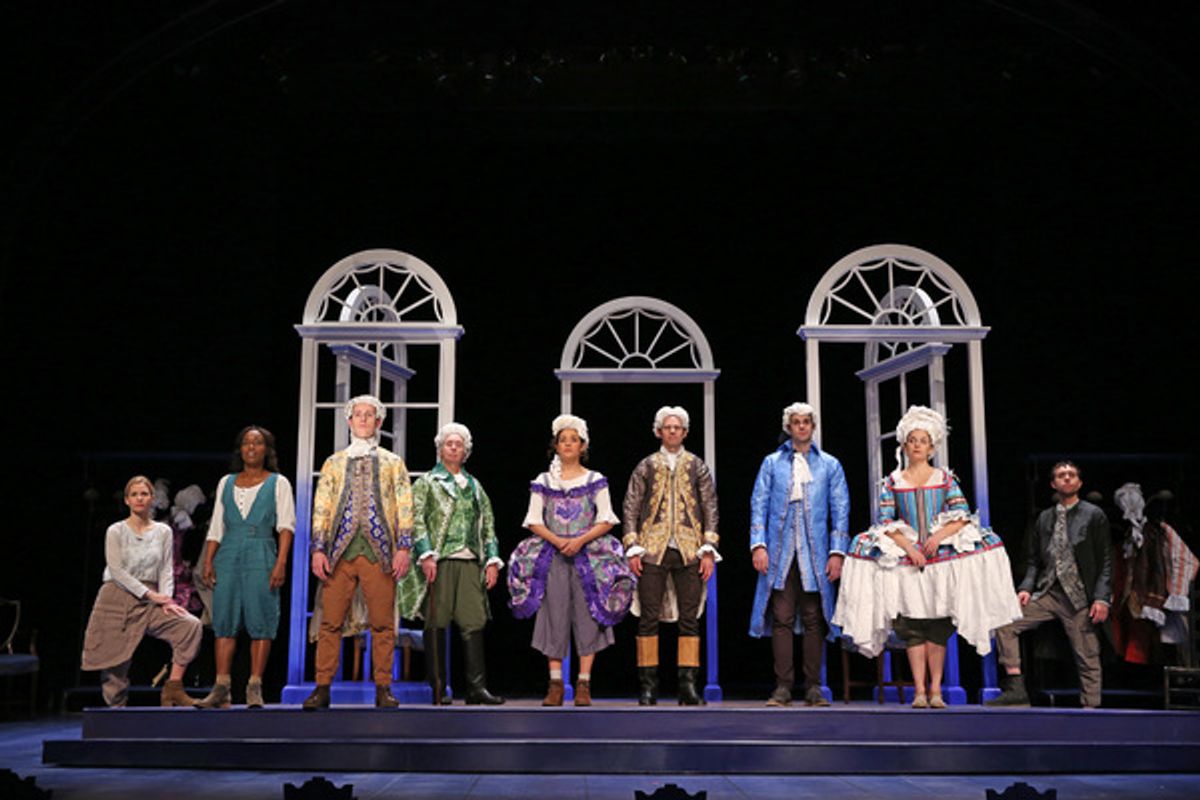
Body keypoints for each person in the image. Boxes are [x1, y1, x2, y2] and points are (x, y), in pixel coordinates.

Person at [835, 405, 1021, 708]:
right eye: (912, 440)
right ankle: (919, 691)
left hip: (939, 556)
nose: (918, 444)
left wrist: (937, 537)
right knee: (911, 626)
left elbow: (961, 515)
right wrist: (909, 547)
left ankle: (936, 690)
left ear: (932, 447)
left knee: (937, 625)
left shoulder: (945, 479)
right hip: (908, 557)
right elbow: (884, 521)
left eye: (923, 440)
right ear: (905, 445)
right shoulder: (893, 481)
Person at [508, 414, 635, 706]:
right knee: (554, 613)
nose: (567, 444)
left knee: (588, 615)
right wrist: (559, 541)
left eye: (573, 440)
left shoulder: (595, 479)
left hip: (589, 556)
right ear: (556, 445)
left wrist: (578, 541)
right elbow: (534, 521)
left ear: (582, 446)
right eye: (562, 440)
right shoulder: (543, 481)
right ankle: (555, 684)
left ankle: (583, 684)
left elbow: (606, 519)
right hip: (553, 554)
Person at [303, 395, 414, 710]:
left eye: (369, 415)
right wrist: (318, 549)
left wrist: (404, 547)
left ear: (378, 422)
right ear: (349, 421)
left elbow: (406, 506)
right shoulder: (334, 463)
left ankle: (383, 687)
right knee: (330, 623)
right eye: (358, 415)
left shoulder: (393, 463)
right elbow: (321, 507)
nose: (363, 420)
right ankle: (322, 686)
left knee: (382, 623)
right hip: (340, 553)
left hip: (379, 552)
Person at [749, 402, 851, 707]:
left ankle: (813, 686)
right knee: (781, 618)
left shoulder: (829, 465)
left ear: (813, 426)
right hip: (780, 552)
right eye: (796, 422)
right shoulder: (772, 463)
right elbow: (759, 503)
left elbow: (840, 509)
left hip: (815, 553)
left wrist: (837, 552)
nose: (802, 426)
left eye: (807, 421)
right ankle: (782, 686)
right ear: (789, 427)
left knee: (813, 618)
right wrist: (759, 545)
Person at [987, 461, 1112, 708]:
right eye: (1061, 476)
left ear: (1079, 482)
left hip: (1079, 596)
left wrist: (1101, 597)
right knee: (1004, 621)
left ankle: (1092, 707)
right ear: (1053, 484)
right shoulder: (1045, 518)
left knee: (1086, 652)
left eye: (1071, 475)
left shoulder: (1093, 515)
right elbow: (1034, 560)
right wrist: (1025, 588)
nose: (1066, 478)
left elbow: (1106, 559)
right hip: (1049, 591)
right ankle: (1016, 689)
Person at [397, 422, 505, 705]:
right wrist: (426, 554)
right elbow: (416, 520)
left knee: (473, 622)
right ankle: (437, 687)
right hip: (441, 560)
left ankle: (476, 688)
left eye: (459, 444)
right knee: (437, 621)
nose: (454, 448)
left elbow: (488, 525)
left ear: (466, 451)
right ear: (440, 449)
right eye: (449, 444)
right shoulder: (427, 483)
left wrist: (492, 560)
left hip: (469, 560)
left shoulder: (474, 485)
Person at [623, 406, 719, 705]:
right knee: (648, 619)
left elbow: (710, 507)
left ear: (685, 432)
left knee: (689, 620)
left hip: (690, 550)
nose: (673, 431)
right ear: (659, 432)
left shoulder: (696, 466)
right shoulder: (647, 466)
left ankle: (687, 686)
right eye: (668, 427)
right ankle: (648, 686)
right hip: (652, 548)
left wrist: (708, 548)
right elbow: (631, 506)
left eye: (678, 427)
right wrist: (632, 546)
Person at [195, 426, 296, 709]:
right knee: (223, 621)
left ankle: (254, 686)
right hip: (228, 553)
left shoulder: (278, 483)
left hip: (262, 551)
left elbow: (286, 526)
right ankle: (221, 687)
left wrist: (281, 562)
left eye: (258, 443)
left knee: (261, 621)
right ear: (240, 449)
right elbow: (217, 526)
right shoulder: (226, 482)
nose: (252, 447)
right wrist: (208, 561)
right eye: (247, 443)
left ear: (267, 450)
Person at [81, 475, 203, 707]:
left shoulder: (162, 531)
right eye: (134, 494)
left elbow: (166, 568)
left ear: (152, 498)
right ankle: (115, 709)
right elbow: (116, 570)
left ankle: (173, 688)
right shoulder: (116, 530)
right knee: (116, 660)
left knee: (189, 626)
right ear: (127, 500)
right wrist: (150, 595)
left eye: (144, 494)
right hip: (116, 595)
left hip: (151, 598)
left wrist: (166, 599)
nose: (139, 498)